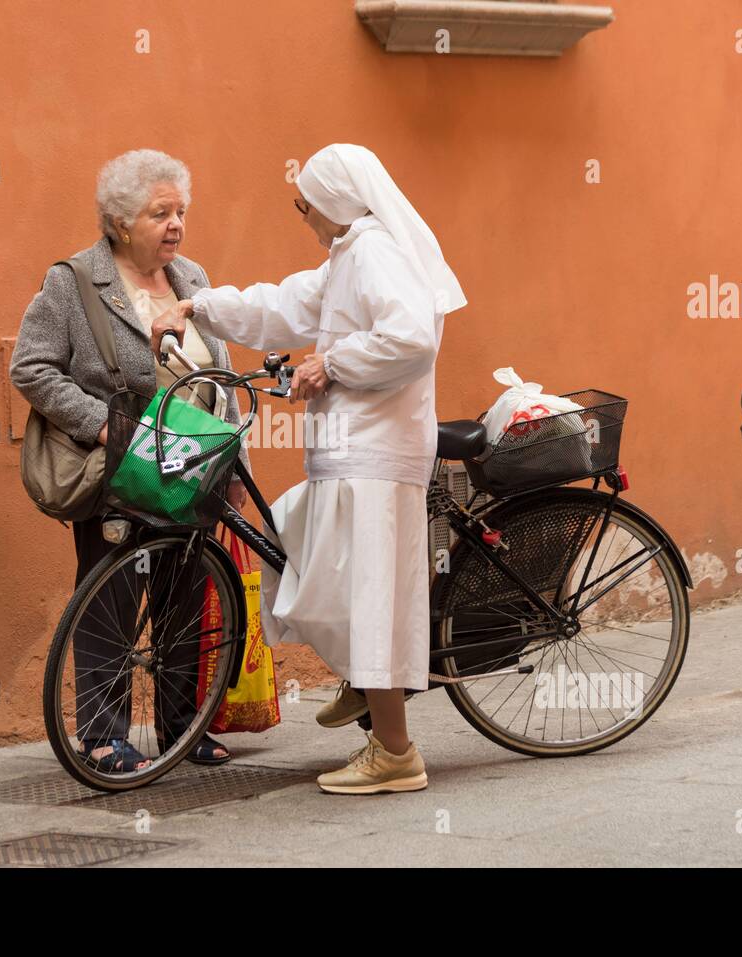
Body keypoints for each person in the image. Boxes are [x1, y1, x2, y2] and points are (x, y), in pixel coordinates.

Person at [152, 143, 466, 794]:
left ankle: (395, 751)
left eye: (306, 205)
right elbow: (283, 305)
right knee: (299, 547)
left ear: (335, 201)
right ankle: (362, 677)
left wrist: (332, 364)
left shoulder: (375, 252)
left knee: (370, 594)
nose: (304, 216)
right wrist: (201, 308)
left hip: (375, 454)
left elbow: (410, 337)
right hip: (353, 451)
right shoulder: (352, 254)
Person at [10, 149, 250, 771]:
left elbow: (217, 374)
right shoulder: (74, 282)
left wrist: (234, 456)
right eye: (160, 213)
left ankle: (181, 728)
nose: (176, 225)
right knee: (111, 597)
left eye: (181, 212)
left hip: (193, 461)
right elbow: (31, 367)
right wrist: (103, 430)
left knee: (188, 593)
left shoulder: (191, 278)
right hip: (123, 464)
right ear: (120, 221)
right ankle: (101, 736)